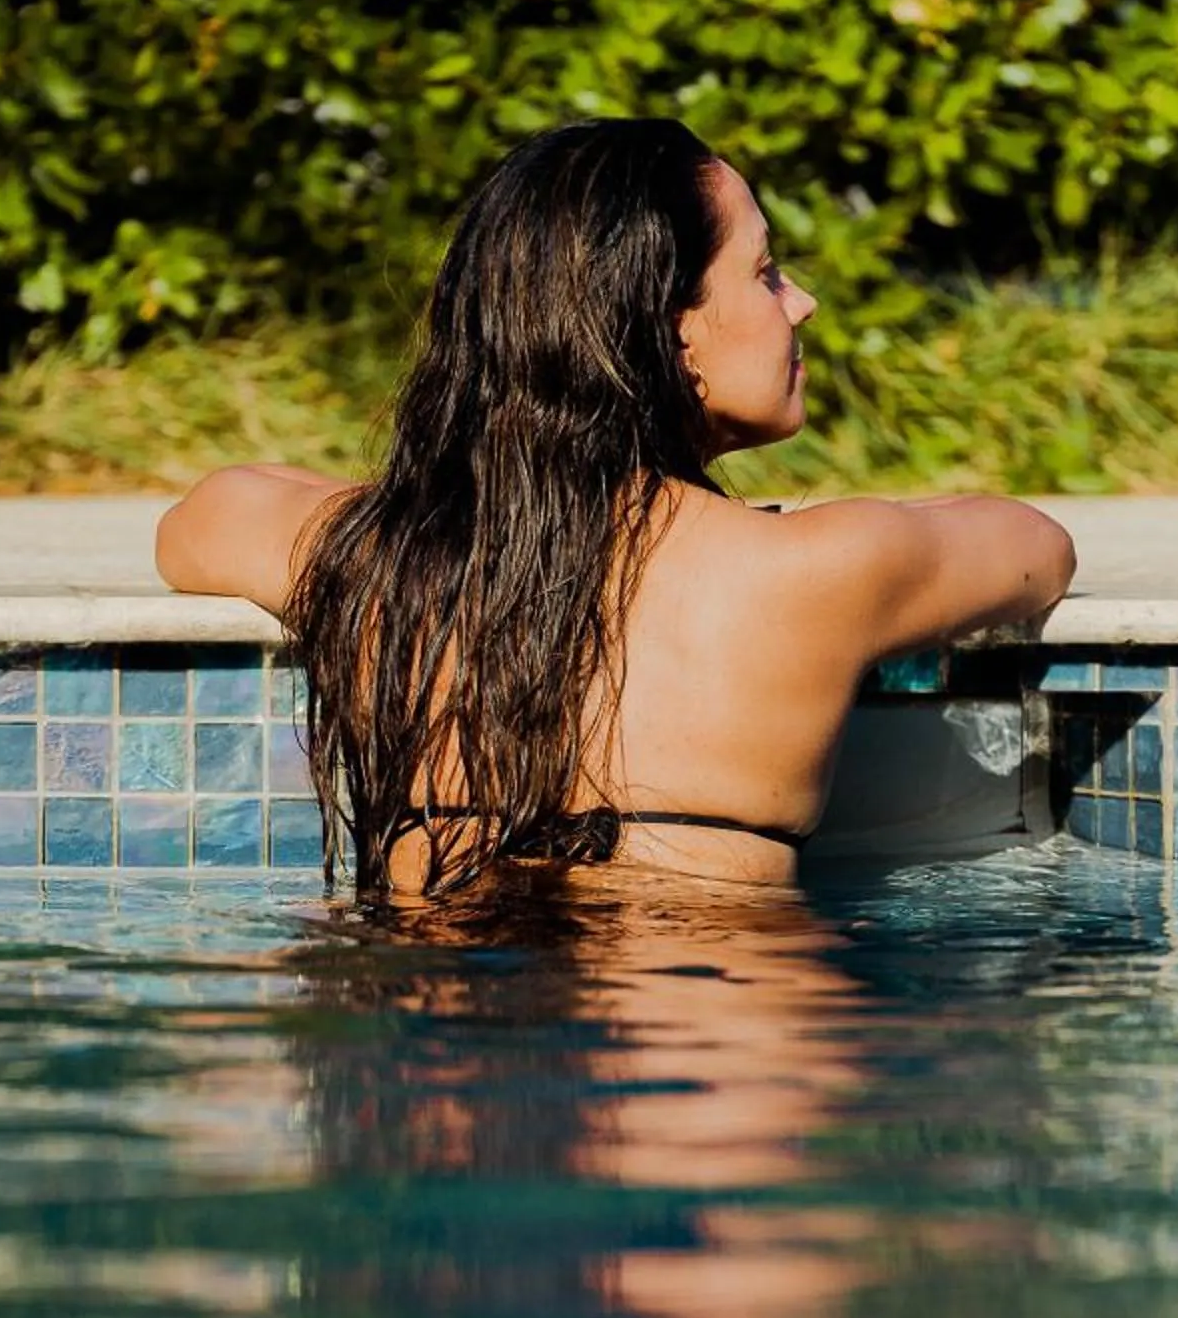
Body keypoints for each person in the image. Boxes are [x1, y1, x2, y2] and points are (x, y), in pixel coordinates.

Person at [156, 117, 1075, 900]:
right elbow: (1037, 546)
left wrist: (442, 500)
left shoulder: (372, 558)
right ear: (670, 330)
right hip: (703, 1044)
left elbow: (207, 518)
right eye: (765, 272)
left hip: (433, 1046)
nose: (802, 302)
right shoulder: (818, 569)